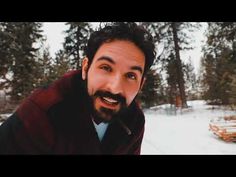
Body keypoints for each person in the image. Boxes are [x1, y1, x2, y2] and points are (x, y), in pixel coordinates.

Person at [0, 22, 156, 154]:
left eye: (131, 76)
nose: (115, 88)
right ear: (86, 68)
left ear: (141, 84)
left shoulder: (134, 121)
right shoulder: (42, 111)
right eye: (106, 68)